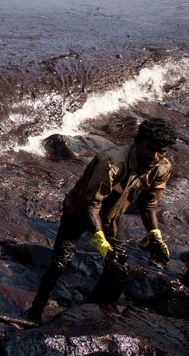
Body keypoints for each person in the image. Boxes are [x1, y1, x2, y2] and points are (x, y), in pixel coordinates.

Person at [28, 117, 177, 323]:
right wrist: (101, 245)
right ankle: (36, 309)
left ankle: (96, 311)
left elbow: (149, 205)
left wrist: (155, 235)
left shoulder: (162, 167)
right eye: (150, 149)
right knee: (60, 264)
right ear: (137, 142)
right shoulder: (111, 163)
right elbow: (91, 206)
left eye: (162, 151)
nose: (155, 156)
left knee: (118, 266)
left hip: (110, 219)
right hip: (79, 213)